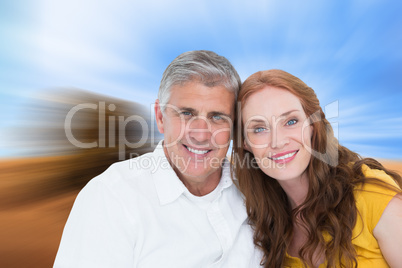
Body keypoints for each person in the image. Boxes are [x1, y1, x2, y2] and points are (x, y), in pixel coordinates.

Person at [54, 50, 260, 267]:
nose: (201, 134)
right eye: (186, 114)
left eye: (217, 117)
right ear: (160, 118)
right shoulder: (111, 198)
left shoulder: (257, 191)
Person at [232, 69, 402, 268]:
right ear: (245, 142)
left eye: (291, 121)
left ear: (314, 125)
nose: (277, 142)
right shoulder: (261, 221)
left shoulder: (372, 194)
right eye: (259, 129)